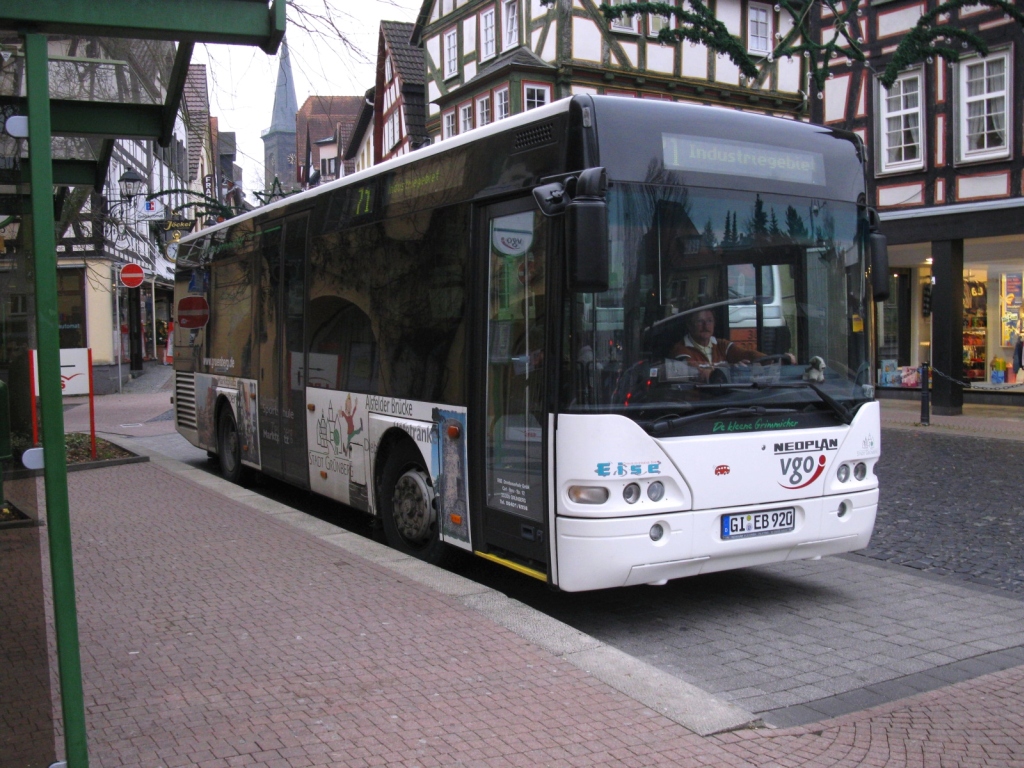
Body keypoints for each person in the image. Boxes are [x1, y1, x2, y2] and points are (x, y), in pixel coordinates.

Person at [670, 309, 795, 378]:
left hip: (725, 400)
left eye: (709, 321)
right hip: (697, 403)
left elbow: (747, 354)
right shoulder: (681, 349)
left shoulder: (721, 345)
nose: (705, 325)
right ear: (689, 325)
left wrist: (774, 361)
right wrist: (731, 369)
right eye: (700, 321)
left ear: (714, 324)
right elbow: (694, 371)